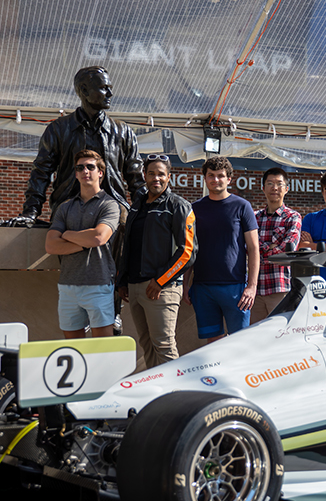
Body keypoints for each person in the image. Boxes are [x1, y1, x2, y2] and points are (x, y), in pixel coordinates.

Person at [12, 66, 143, 224]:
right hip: (69, 202)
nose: (110, 94)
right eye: (103, 88)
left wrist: (147, 211)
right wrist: (30, 211)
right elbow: (41, 173)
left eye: (110, 88)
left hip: (113, 203)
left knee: (122, 225)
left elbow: (136, 178)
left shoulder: (123, 132)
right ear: (84, 90)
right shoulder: (58, 129)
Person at [116, 154, 196, 367]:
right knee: (147, 345)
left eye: (161, 174)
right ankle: (156, 394)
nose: (156, 178)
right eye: (151, 173)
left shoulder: (178, 205)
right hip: (134, 287)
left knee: (164, 345)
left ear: (169, 177)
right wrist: (123, 281)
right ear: (145, 176)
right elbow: (129, 246)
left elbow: (187, 252)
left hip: (162, 289)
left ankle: (177, 397)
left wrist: (160, 281)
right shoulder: (137, 206)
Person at [45, 150, 120, 338]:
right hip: (67, 286)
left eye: (90, 167)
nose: (85, 171)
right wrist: (84, 242)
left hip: (98, 284)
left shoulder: (109, 204)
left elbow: (99, 238)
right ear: (76, 174)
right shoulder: (65, 207)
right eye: (80, 167)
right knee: (73, 350)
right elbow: (51, 246)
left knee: (102, 349)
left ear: (100, 172)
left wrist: (68, 234)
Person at [184, 156, 259, 342]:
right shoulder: (194, 209)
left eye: (220, 176)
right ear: (205, 178)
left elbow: (254, 248)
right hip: (202, 288)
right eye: (211, 175)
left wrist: (251, 286)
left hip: (235, 288)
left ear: (229, 179)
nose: (215, 180)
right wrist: (186, 284)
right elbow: (189, 249)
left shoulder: (242, 207)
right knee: (212, 344)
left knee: (239, 343)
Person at [250, 167, 302, 324]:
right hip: (255, 290)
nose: (274, 188)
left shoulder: (293, 217)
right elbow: (246, 247)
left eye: (279, 184)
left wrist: (258, 250)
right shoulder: (253, 217)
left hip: (279, 288)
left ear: (286, 189)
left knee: (279, 335)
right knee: (253, 338)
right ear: (263, 188)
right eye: (270, 183)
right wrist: (271, 247)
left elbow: (287, 252)